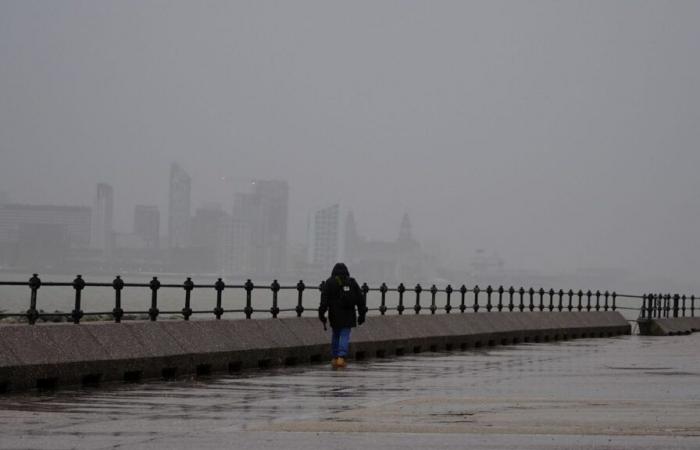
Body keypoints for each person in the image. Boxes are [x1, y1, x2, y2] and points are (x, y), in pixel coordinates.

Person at [318, 262, 366, 369]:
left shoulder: (329, 282)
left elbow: (324, 301)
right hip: (348, 314)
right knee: (344, 334)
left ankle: (335, 357)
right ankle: (341, 357)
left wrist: (321, 314)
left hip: (334, 313)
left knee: (335, 334)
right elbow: (360, 299)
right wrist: (362, 314)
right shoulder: (351, 282)